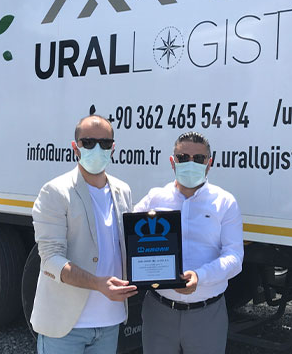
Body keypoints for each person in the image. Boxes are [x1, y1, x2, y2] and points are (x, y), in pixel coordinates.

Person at [31, 114, 138, 354]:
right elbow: (50, 259)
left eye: (105, 143)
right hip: (66, 327)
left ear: (113, 148)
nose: (97, 149)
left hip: (109, 322)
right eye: (88, 142)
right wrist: (97, 284)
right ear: (75, 147)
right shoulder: (55, 191)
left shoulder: (123, 191)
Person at [133, 131, 244, 354]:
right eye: (183, 158)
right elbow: (128, 239)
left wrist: (199, 277)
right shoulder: (154, 198)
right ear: (172, 162)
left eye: (199, 158)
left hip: (206, 315)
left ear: (209, 163)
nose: (190, 163)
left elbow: (234, 258)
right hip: (159, 311)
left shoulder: (225, 202)